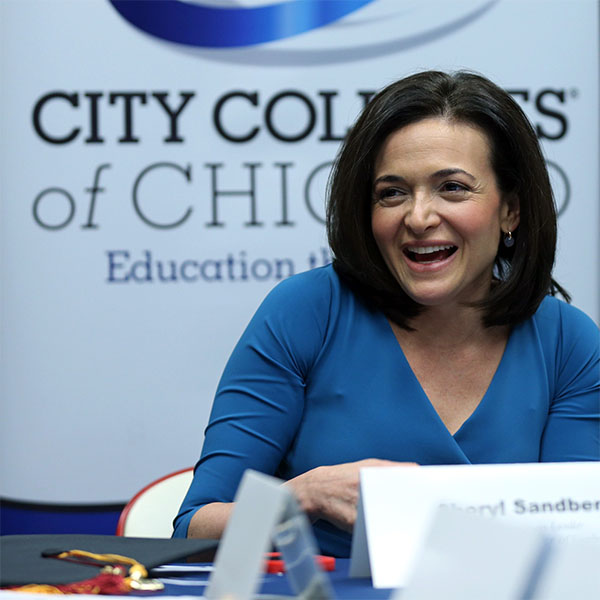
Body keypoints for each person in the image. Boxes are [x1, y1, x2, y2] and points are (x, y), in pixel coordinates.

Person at [172, 70, 600, 556]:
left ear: (511, 211)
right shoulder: (307, 311)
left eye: (453, 188)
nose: (417, 217)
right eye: (392, 193)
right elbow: (192, 528)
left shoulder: (569, 344)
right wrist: (299, 498)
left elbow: (579, 546)